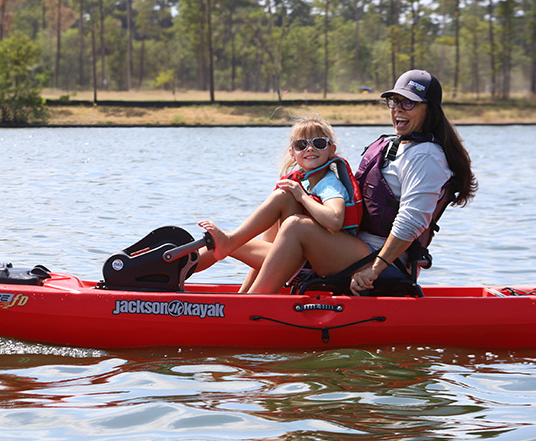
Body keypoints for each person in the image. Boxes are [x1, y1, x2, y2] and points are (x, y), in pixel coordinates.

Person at [243, 69, 477, 295]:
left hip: (382, 261)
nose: (397, 110)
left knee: (296, 226)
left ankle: (250, 308)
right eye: (394, 101)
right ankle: (243, 291)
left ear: (431, 110)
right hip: (355, 247)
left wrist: (373, 270)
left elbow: (412, 221)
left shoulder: (426, 156)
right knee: (286, 200)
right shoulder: (395, 145)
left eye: (409, 103)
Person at [196, 115, 359, 292]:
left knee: (285, 195)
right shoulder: (300, 184)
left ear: (331, 149)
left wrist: (301, 196)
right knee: (225, 242)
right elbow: (267, 253)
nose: (310, 148)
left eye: (319, 143)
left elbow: (335, 220)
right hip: (294, 257)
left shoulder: (329, 183)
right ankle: (170, 273)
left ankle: (246, 297)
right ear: (292, 152)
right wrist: (241, 294)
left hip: (321, 259)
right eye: (301, 145)